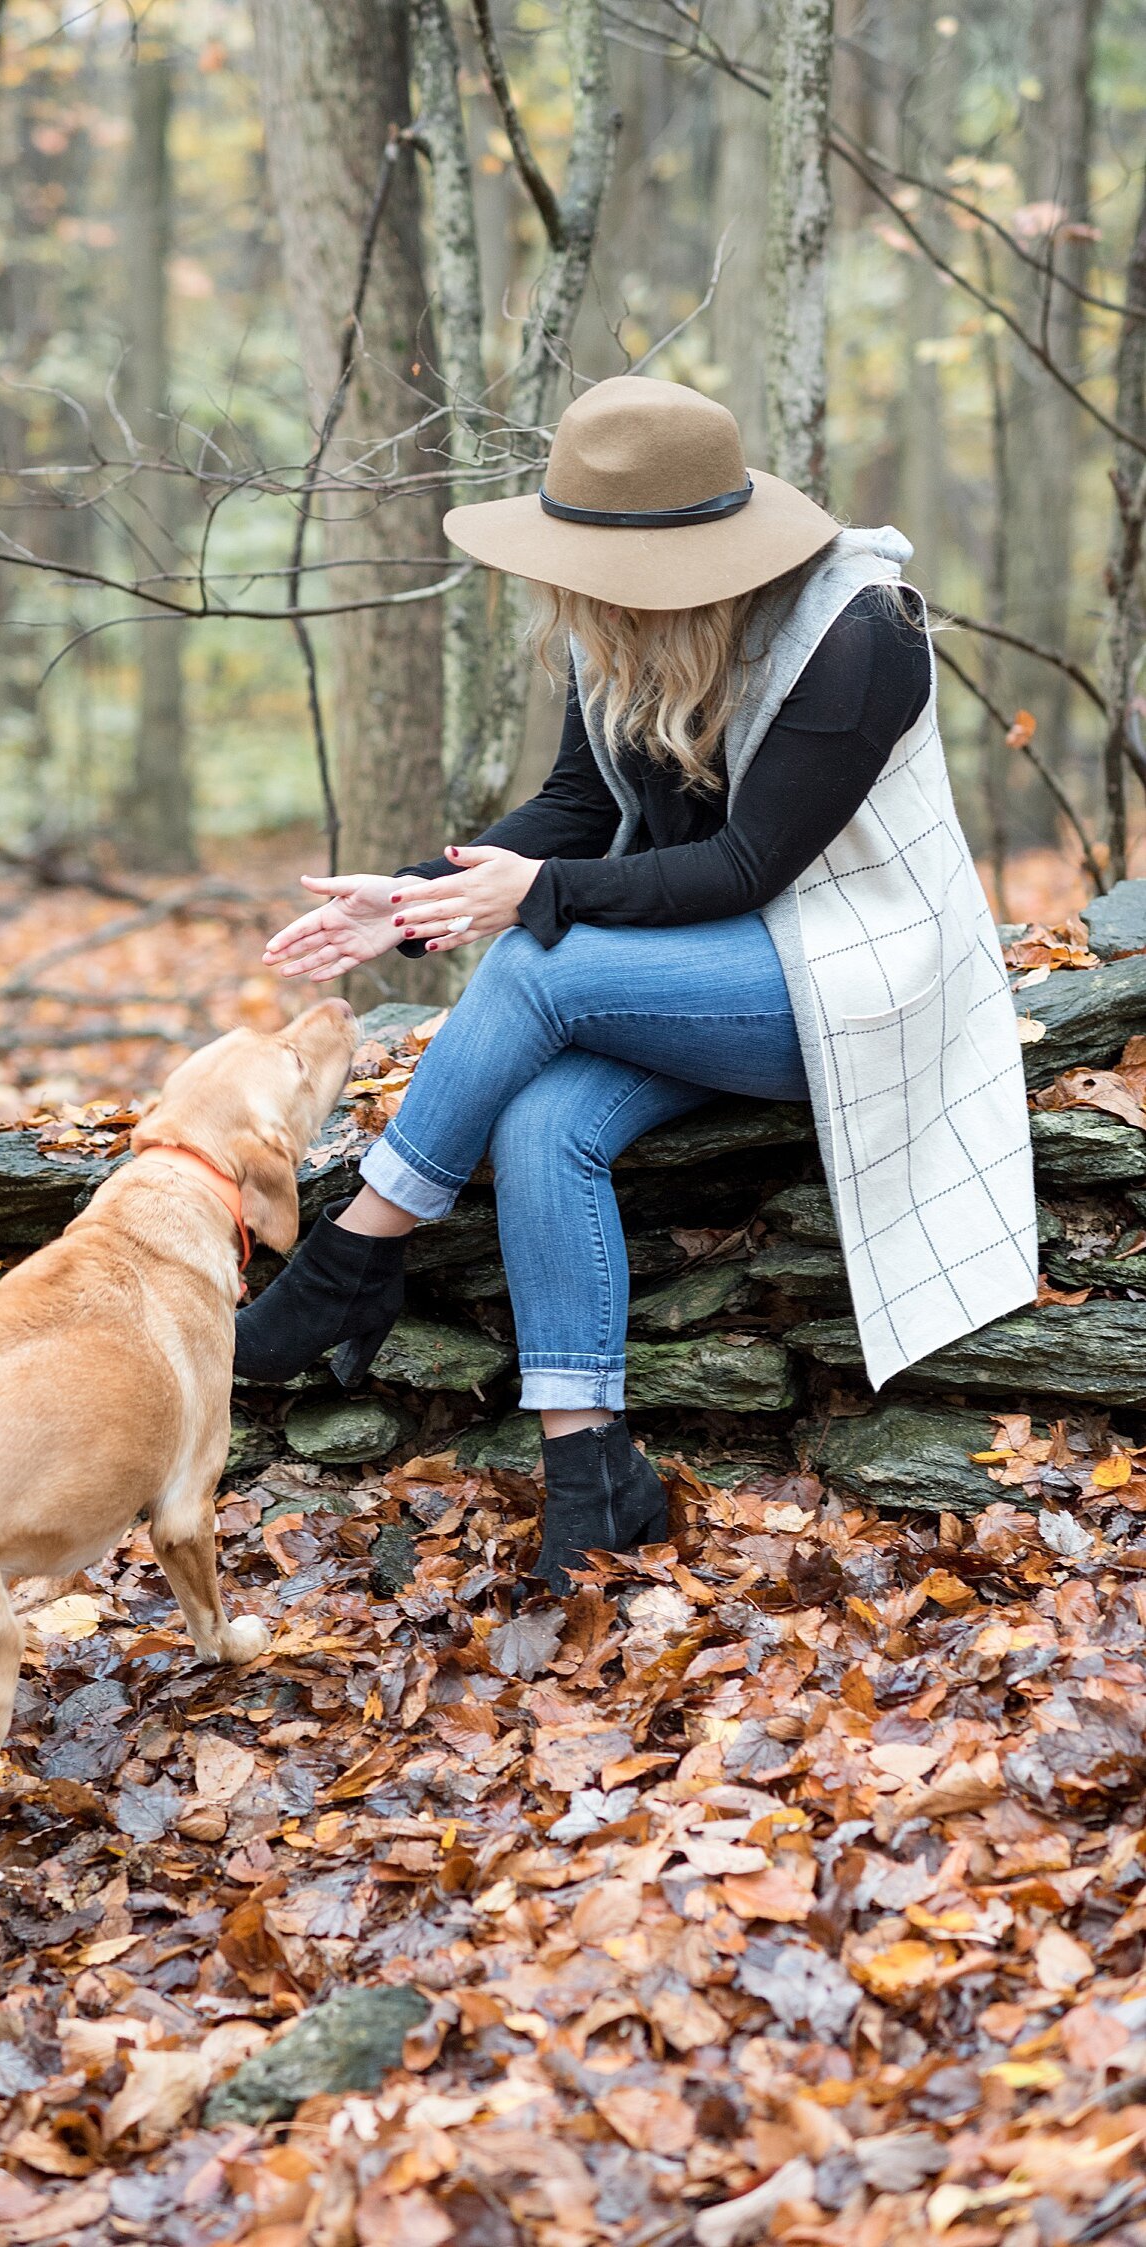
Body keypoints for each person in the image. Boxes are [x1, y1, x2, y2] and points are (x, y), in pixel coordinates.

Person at [235, 376, 1037, 1592]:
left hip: (855, 980)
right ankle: (594, 1480)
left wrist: (536, 904)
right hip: (689, 970)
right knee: (545, 1121)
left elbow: (748, 864)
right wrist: (409, 897)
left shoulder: (863, 632)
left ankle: (352, 1257)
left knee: (539, 965)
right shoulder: (615, 616)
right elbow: (573, 809)